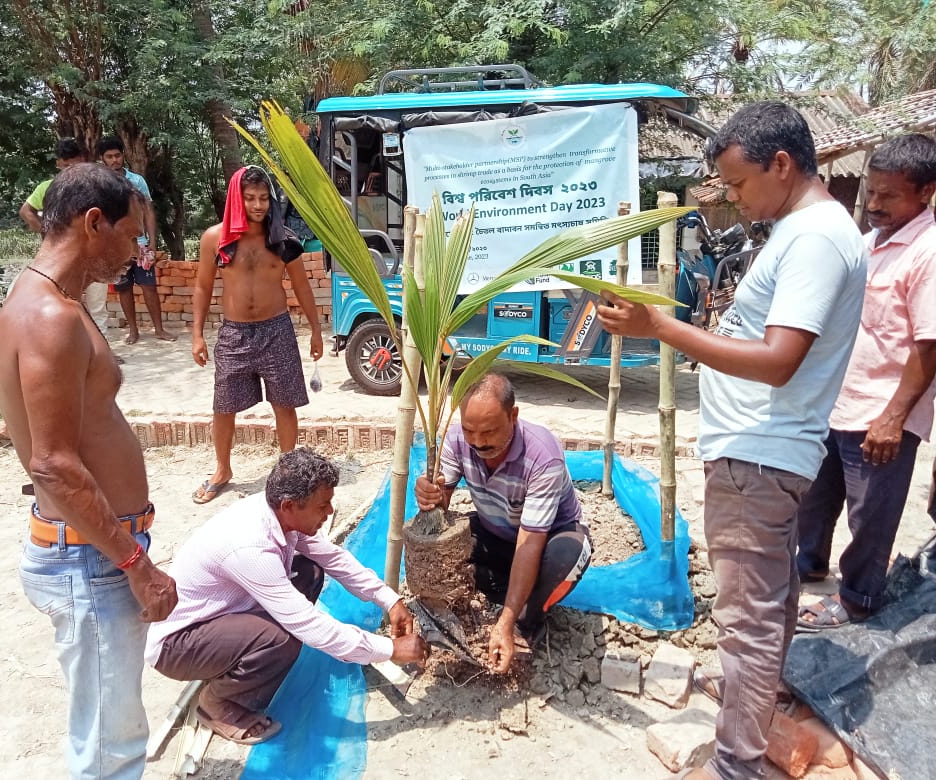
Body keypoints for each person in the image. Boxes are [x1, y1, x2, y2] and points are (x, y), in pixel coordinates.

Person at [595, 102, 866, 780]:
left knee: (746, 619)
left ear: (782, 164)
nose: (735, 199)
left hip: (757, 454)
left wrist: (660, 329)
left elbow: (778, 359)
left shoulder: (814, 239)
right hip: (762, 453)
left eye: (740, 183)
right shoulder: (811, 232)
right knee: (766, 606)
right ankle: (756, 709)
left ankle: (735, 763)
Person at [0, 163, 178, 779]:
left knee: (110, 730)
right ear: (94, 223)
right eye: (132, 233)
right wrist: (136, 563)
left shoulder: (48, 302)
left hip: (91, 554)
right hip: (90, 561)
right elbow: (52, 463)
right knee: (110, 745)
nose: (137, 249)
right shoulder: (51, 318)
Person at [145, 448, 428, 744]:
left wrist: (389, 599)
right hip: (177, 646)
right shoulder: (251, 546)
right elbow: (308, 625)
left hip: (218, 618)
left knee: (310, 572)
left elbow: (333, 558)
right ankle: (217, 704)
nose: (329, 512)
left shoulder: (277, 513)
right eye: (323, 505)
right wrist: (390, 649)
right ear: (290, 505)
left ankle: (239, 660)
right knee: (282, 640)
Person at [796, 133, 936, 628]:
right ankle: (807, 568)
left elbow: (929, 344)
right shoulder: (871, 242)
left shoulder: (927, 251)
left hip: (881, 413)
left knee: (870, 517)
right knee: (814, 497)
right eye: (870, 192)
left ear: (926, 192)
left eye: (888, 195)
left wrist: (894, 418)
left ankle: (857, 599)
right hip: (839, 401)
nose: (874, 204)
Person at [414, 373, 593, 675]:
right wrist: (429, 493)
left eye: (490, 432)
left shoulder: (542, 456)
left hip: (548, 538)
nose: (479, 443)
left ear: (513, 416)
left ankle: (526, 620)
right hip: (498, 535)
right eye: (470, 431)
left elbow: (530, 541)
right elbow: (442, 502)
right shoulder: (457, 439)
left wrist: (507, 622)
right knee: (450, 543)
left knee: (567, 555)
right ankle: (499, 595)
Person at [190, 166, 322, 504]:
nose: (258, 205)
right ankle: (222, 469)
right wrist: (197, 335)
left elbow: (302, 285)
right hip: (234, 334)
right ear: (237, 198)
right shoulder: (215, 239)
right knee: (224, 406)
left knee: (285, 403)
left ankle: (289, 471)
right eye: (250, 198)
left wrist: (317, 330)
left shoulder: (283, 240)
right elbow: (203, 286)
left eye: (264, 198)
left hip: (277, 330)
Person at [19, 138, 111, 336]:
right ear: (58, 164)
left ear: (84, 160)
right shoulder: (48, 187)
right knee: (60, 301)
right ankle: (65, 347)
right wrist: (49, 234)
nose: (71, 170)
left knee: (97, 305)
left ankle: (103, 352)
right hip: (60, 258)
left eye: (76, 164)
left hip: (94, 255)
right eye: (67, 165)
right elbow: (26, 211)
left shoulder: (98, 188)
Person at [96, 134, 176, 344]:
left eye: (117, 155)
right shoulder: (101, 184)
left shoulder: (136, 181)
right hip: (115, 248)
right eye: (109, 156)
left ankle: (159, 329)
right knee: (123, 288)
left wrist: (152, 240)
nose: (114, 160)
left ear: (123, 155)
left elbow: (148, 211)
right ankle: (133, 331)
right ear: (102, 159)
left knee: (149, 285)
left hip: (140, 244)